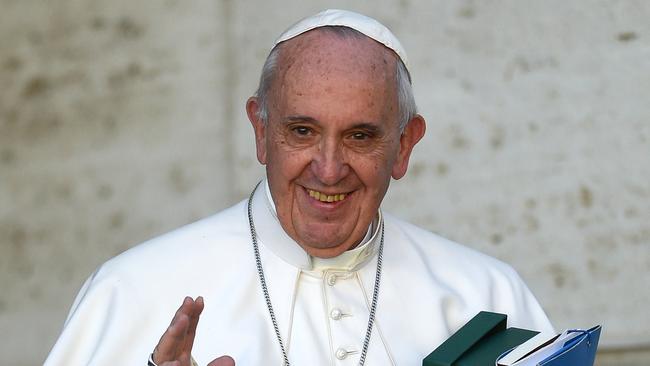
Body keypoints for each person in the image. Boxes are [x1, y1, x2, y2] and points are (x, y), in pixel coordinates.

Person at [45, 9, 554, 366]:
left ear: (404, 146)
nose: (329, 170)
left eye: (360, 136)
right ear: (261, 130)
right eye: (302, 131)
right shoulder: (133, 291)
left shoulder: (486, 295)